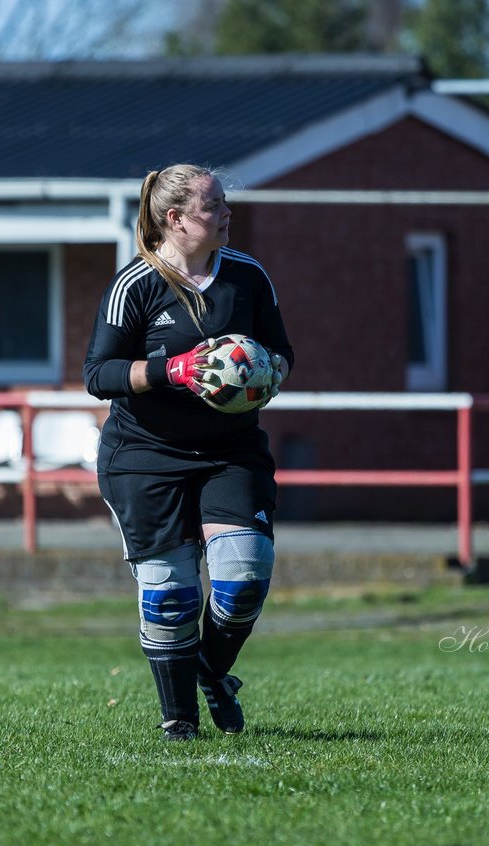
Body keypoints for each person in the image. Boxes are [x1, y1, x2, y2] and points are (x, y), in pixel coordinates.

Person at [83, 164, 295, 741]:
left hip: (230, 451)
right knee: (172, 595)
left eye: (225, 203)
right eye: (214, 206)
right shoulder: (136, 284)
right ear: (174, 219)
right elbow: (98, 374)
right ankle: (179, 720)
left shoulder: (248, 277)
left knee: (244, 579)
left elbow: (282, 352)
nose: (228, 214)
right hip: (143, 455)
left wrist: (266, 371)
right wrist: (173, 370)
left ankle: (209, 672)